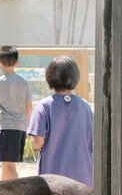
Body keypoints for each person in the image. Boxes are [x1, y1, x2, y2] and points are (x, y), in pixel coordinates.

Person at [27, 56, 93, 187]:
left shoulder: (43, 106)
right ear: (75, 78)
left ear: (49, 78)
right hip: (84, 177)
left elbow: (39, 141)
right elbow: (92, 138)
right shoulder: (84, 105)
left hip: (54, 179)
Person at [0, 46, 33, 180]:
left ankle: (14, 193)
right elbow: (29, 106)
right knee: (8, 164)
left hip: (7, 127)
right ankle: (4, 190)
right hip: (21, 127)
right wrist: (31, 127)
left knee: (8, 166)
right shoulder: (23, 82)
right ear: (17, 63)